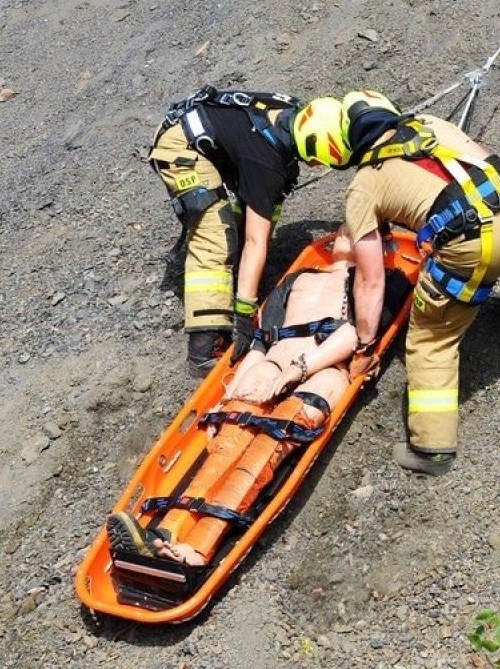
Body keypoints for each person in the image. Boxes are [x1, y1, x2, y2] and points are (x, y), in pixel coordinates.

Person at [331, 91, 500, 476]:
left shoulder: (364, 184)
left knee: (431, 339)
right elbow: (483, 161)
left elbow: (370, 282)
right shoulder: (431, 124)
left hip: (474, 247)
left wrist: (365, 345)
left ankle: (431, 450)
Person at [106, 242, 369, 569]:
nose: (343, 231)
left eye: (352, 229)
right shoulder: (298, 278)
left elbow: (358, 336)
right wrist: (224, 400)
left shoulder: (368, 278)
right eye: (343, 227)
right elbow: (260, 344)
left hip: (325, 366)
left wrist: (300, 368)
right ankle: (167, 533)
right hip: (274, 361)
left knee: (266, 444)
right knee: (229, 441)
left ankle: (198, 550)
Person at [149, 90, 350, 373]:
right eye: (320, 160)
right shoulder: (266, 162)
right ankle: (203, 348)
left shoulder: (294, 119)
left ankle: (239, 274)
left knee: (257, 213)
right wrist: (244, 314)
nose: (318, 166)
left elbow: (264, 218)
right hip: (181, 146)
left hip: (216, 137)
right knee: (214, 234)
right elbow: (257, 240)